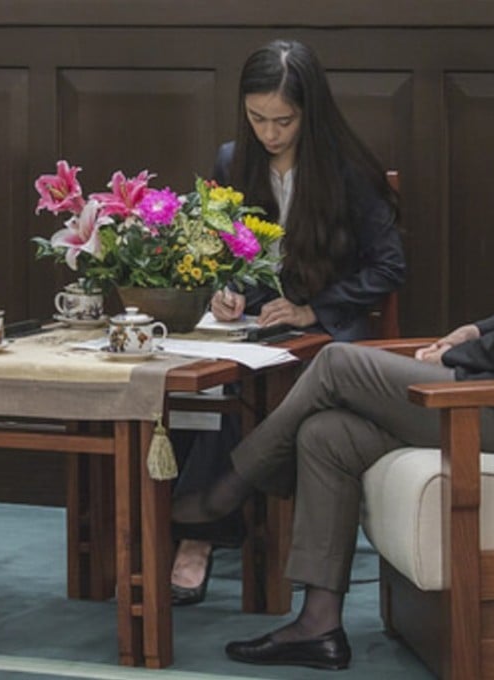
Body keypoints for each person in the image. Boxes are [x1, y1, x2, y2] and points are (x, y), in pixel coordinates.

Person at [172, 64, 494, 670]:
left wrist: (462, 353)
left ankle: (232, 486)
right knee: (327, 434)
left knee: (341, 362)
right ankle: (318, 625)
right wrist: (480, 329)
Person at [170, 39, 405, 606]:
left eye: (283, 121)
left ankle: (206, 525)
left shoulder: (348, 171)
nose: (270, 134)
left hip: (327, 327)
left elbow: (389, 265)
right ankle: (198, 525)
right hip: (252, 323)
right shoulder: (233, 161)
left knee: (253, 386)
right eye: (258, 120)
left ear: (310, 113)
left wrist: (313, 309)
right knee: (201, 376)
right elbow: (223, 254)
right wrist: (223, 290)